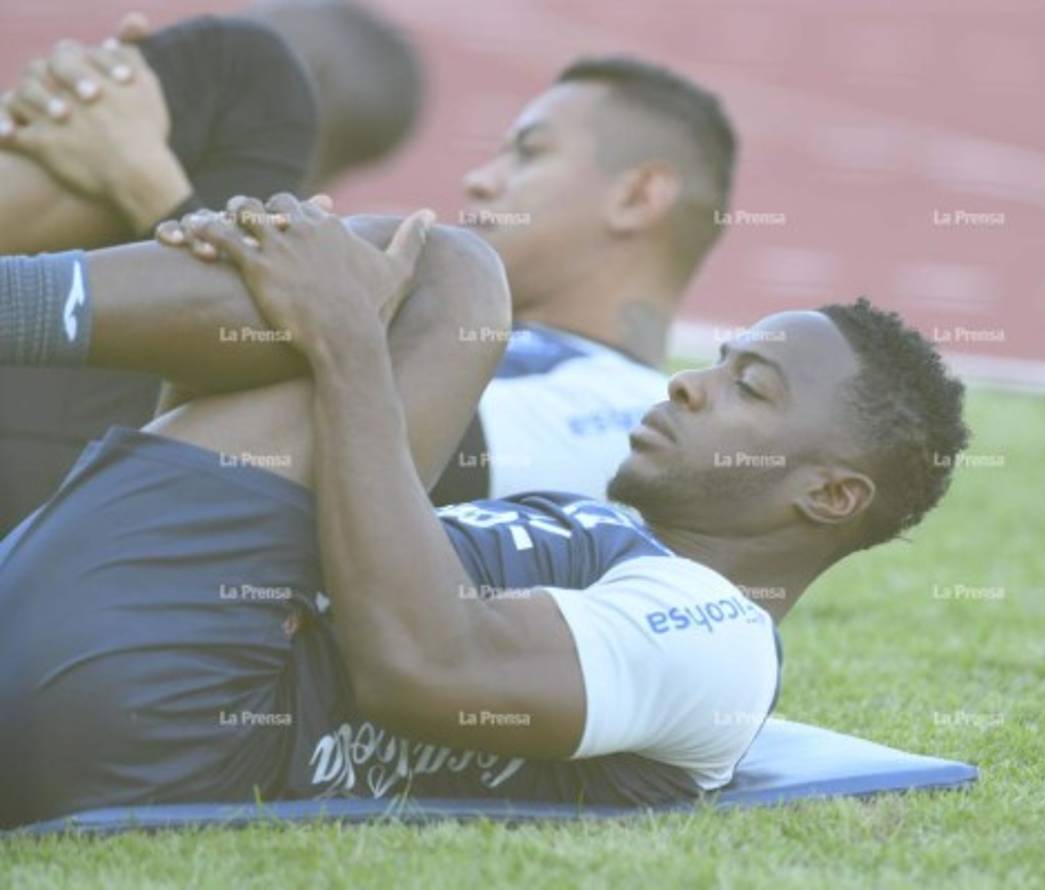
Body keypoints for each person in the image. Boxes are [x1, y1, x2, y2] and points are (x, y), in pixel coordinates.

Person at [0, 196, 969, 826]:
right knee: (361, 275)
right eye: (717, 359)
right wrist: (283, 293)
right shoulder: (596, 535)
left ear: (831, 494)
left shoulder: (720, 637)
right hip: (125, 658)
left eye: (749, 386)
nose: (687, 385)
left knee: (450, 273)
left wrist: (343, 335)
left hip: (177, 715)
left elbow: (428, 666)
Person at [0, 3, 423, 536]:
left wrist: (142, 174)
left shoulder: (252, 77)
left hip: (59, 485)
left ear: (304, 82)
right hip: (70, 521)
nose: (137, 53)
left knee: (241, 61)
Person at [431, 55, 738, 503]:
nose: (478, 180)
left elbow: (365, 446)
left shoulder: (639, 418)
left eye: (529, 153)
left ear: (637, 197)